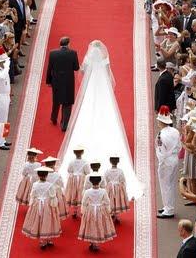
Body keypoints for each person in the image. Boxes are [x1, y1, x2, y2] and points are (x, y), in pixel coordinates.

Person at [57, 40, 142, 201]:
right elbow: (109, 71)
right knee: (106, 108)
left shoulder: (89, 57)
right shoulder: (104, 57)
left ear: (91, 50)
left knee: (87, 108)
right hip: (101, 84)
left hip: (91, 85)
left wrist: (86, 73)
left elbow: (82, 71)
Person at [21, 166, 61, 249]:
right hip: (47, 205)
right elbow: (53, 196)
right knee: (48, 221)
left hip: (37, 204)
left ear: (38, 175)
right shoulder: (50, 185)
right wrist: (54, 205)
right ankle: (48, 239)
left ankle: (42, 242)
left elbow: (33, 195)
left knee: (38, 220)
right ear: (46, 175)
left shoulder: (35, 184)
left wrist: (32, 204)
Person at [46, 37, 80, 131]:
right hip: (68, 81)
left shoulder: (53, 53)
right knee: (67, 103)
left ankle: (53, 118)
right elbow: (76, 67)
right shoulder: (73, 53)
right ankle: (64, 125)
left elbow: (50, 69)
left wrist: (48, 81)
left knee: (56, 101)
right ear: (68, 44)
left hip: (56, 81)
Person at [78, 172, 116, 252]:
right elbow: (107, 202)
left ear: (91, 181)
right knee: (99, 225)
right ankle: (96, 243)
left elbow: (84, 202)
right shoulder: (103, 191)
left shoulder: (87, 191)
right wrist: (108, 210)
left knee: (91, 224)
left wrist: (83, 211)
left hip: (90, 210)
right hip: (100, 210)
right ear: (100, 181)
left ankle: (92, 241)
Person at [156, 105, 181, 218]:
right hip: (174, 158)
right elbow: (180, 146)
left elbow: (161, 152)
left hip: (166, 161)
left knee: (165, 185)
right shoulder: (175, 131)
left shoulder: (161, 135)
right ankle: (167, 206)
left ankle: (169, 209)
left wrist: (161, 163)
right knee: (170, 184)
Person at [64, 145, 90, 218]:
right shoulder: (85, 162)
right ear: (82, 152)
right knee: (81, 193)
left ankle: (75, 211)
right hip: (82, 179)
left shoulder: (71, 162)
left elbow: (69, 170)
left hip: (74, 180)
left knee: (74, 194)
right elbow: (87, 171)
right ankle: (82, 211)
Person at [104, 154, 129, 223]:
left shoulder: (107, 171)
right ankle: (116, 216)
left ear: (110, 161)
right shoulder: (120, 171)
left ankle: (112, 213)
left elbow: (105, 180)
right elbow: (122, 180)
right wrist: (123, 188)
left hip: (110, 188)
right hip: (118, 188)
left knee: (111, 200)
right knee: (117, 200)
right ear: (118, 161)